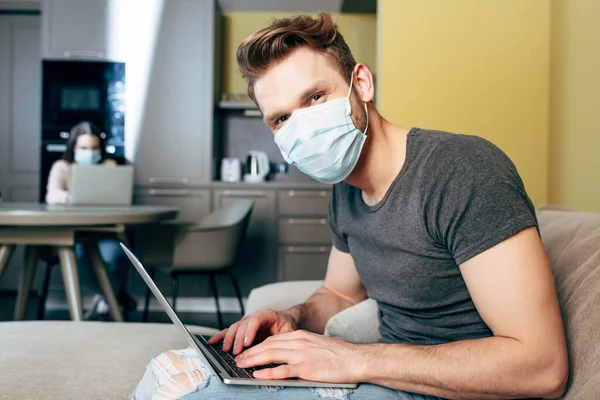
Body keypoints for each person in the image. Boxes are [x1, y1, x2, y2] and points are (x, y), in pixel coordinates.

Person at [133, 14, 568, 400]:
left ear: (362, 83)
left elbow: (541, 366)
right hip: (386, 378)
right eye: (281, 118)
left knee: (180, 390)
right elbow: (339, 294)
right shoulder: (345, 187)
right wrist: (293, 316)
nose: (301, 125)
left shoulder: (463, 170)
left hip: (449, 391)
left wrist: (353, 360)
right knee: (176, 371)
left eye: (315, 98)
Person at [46, 121, 135, 319]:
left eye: (94, 148)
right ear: (74, 148)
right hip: (73, 233)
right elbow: (52, 196)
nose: (90, 152)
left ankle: (107, 298)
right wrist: (75, 196)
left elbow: (119, 197)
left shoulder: (109, 167)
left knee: (115, 257)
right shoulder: (61, 167)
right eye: (84, 148)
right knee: (79, 259)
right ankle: (111, 297)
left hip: (105, 232)